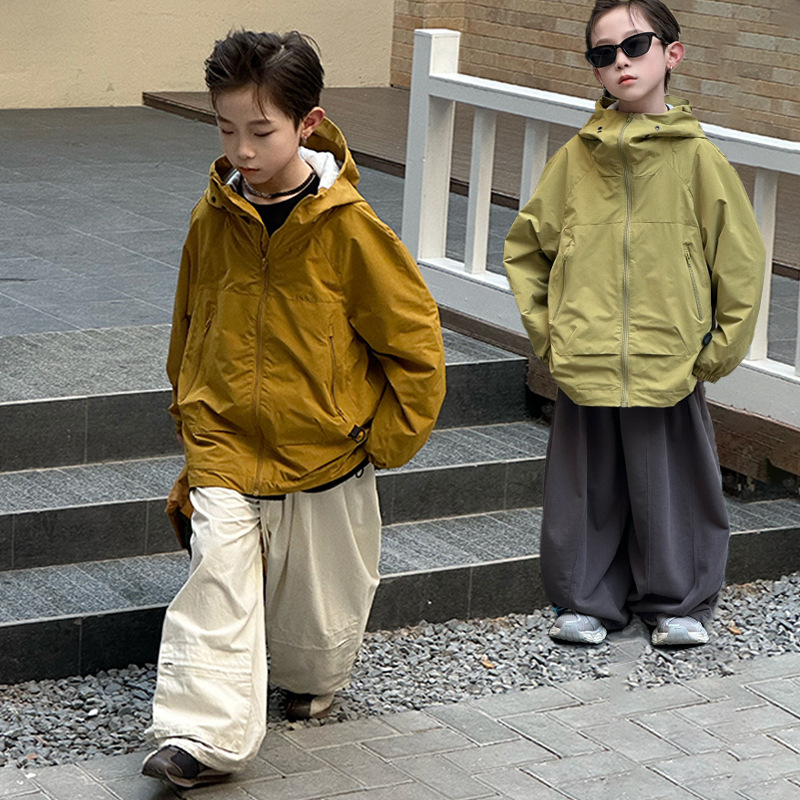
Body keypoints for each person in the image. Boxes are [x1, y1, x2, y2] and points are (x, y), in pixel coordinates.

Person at [142, 29, 446, 790]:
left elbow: (414, 345)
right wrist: (191, 407)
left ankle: (312, 676)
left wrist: (379, 439)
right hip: (224, 442)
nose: (241, 150)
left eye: (261, 131)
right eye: (225, 129)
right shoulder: (213, 216)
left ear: (309, 123)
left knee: (315, 626)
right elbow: (189, 321)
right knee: (216, 575)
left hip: (324, 451)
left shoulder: (352, 230)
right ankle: (200, 735)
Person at [504, 0, 765, 649]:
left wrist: (716, 351)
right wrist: (550, 337)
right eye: (603, 53)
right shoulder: (575, 160)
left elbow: (738, 260)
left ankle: (678, 601)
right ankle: (585, 600)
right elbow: (527, 249)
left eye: (635, 45)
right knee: (584, 488)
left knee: (672, 488)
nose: (620, 61)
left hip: (667, 358)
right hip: (586, 355)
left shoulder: (698, 160)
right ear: (594, 67)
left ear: (671, 53)